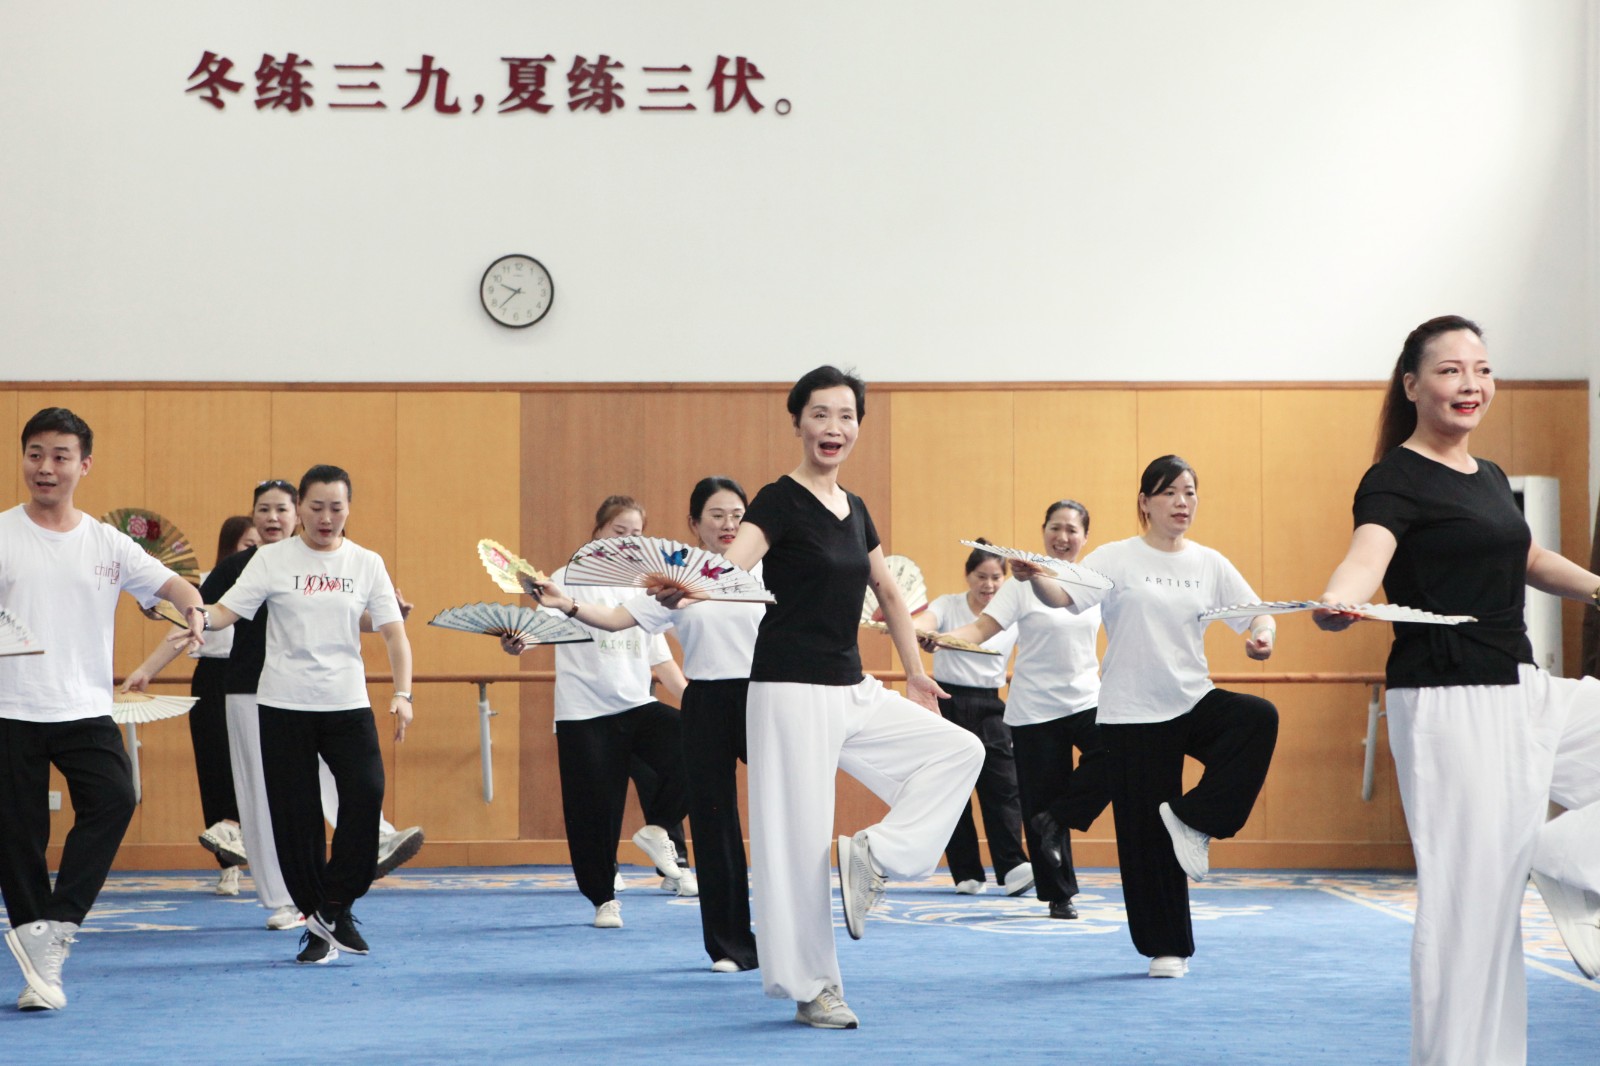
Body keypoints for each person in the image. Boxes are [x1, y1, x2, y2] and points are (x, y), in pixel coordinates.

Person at [657, 366, 983, 1029]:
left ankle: (878, 853)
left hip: (851, 686)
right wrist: (688, 587)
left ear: (858, 426)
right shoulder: (777, 500)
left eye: (846, 416)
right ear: (798, 423)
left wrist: (915, 672)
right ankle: (814, 989)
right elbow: (731, 567)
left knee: (958, 751)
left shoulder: (854, 508)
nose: (834, 427)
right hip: (786, 691)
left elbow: (888, 592)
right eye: (820, 415)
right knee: (797, 844)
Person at [1315, 315, 1600, 1066]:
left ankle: (1565, 861)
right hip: (1450, 702)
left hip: (1521, 685)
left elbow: (1529, 557)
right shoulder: (1395, 478)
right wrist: (1341, 599)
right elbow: (1366, 557)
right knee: (1473, 912)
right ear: (1412, 386)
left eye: (1482, 369)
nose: (1470, 384)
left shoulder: (1491, 477)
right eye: (1450, 371)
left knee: (1498, 886)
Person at [1007, 455, 1278, 978]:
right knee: (1144, 839)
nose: (1182, 502)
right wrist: (1036, 577)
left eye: (1190, 492)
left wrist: (1261, 636)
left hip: (1192, 699)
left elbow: (1258, 613)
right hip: (1131, 713)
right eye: (1170, 492)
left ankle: (1193, 818)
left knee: (1256, 718)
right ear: (1145, 503)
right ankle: (1166, 947)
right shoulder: (1116, 557)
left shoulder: (1209, 563)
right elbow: (1062, 596)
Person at [2, 407, 206, 1012]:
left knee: (116, 796)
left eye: (60, 456)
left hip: (84, 706)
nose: (46, 467)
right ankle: (41, 964)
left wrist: (193, 609)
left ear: (83, 465)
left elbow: (174, 586)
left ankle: (58, 926)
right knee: (17, 837)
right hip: (10, 706)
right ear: (23, 458)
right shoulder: (3, 532)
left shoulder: (108, 543)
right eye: (35, 454)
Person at [175, 465, 414, 964]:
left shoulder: (366, 562)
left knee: (366, 791)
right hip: (283, 704)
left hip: (347, 703)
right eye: (316, 507)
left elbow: (393, 632)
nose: (326, 518)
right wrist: (197, 615)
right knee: (295, 818)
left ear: (348, 509)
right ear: (301, 507)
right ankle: (317, 921)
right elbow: (227, 611)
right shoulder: (271, 559)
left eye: (336, 508)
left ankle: (335, 904)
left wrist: (403, 693)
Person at [524, 478, 761, 971]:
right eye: (716, 515)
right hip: (605, 709)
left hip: (757, 698)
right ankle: (714, 938)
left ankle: (657, 831)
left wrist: (687, 699)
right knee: (619, 811)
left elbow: (660, 659)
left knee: (764, 805)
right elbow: (599, 622)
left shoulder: (762, 568)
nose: (728, 524)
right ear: (694, 524)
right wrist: (560, 608)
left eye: (737, 515)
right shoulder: (670, 579)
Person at [506, 495, 693, 929]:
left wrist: (699, 707)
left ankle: (658, 829)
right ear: (598, 532)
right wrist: (518, 642)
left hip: (638, 707)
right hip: (583, 717)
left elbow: (661, 660)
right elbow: (536, 631)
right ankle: (603, 900)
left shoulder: (643, 587)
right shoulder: (565, 579)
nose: (626, 541)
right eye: (618, 531)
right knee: (593, 813)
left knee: (700, 742)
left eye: (636, 534)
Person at [930, 508, 1110, 919]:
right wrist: (941, 639)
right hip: (1034, 709)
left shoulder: (1094, 581)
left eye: (1071, 529)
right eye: (1054, 528)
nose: (1062, 536)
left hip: (1087, 699)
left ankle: (1057, 818)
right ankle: (1059, 896)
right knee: (1038, 798)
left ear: (1085, 537)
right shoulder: (1018, 585)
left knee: (1118, 753)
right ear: (1043, 532)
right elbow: (980, 630)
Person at [913, 541, 1031, 898]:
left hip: (991, 705)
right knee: (953, 789)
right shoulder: (947, 604)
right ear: (968, 576)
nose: (988, 585)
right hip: (946, 701)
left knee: (1003, 786)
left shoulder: (1008, 612)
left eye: (996, 577)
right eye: (981, 576)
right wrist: (921, 630)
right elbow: (926, 621)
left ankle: (1013, 867)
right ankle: (966, 872)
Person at [190, 515, 259, 896]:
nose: (254, 550)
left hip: (250, 677)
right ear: (230, 547)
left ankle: (256, 848)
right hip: (211, 678)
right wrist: (146, 670)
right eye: (247, 544)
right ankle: (227, 864)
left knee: (250, 766)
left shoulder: (265, 579)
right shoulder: (207, 581)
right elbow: (180, 623)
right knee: (214, 768)